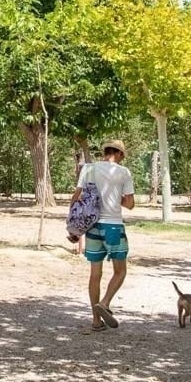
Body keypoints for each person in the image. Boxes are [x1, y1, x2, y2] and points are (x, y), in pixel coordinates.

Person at [71, 139, 134, 331]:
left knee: (95, 274)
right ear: (120, 154)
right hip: (113, 226)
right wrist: (116, 198)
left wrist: (73, 228)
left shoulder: (88, 168)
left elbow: (77, 197)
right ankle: (105, 302)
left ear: (105, 152)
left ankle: (96, 321)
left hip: (92, 226)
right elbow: (130, 203)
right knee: (120, 271)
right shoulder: (123, 172)